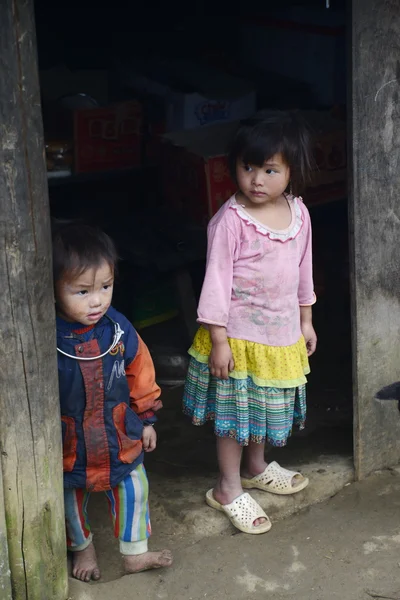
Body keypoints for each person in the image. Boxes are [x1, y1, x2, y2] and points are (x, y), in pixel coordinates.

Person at [183, 110, 317, 535]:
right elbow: (217, 283)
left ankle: (256, 467)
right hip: (237, 338)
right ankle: (227, 487)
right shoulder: (230, 221)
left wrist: (306, 319)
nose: (257, 179)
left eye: (270, 169)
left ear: (292, 171)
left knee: (259, 409)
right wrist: (217, 339)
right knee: (234, 416)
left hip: (279, 337)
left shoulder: (299, 214)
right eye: (248, 167)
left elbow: (304, 270)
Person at [52, 221, 173, 582]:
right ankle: (82, 546)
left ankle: (135, 552)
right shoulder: (43, 332)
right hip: (67, 439)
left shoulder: (118, 329)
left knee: (135, 486)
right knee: (68, 495)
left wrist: (147, 418)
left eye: (105, 287)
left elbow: (141, 370)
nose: (97, 300)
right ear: (53, 289)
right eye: (82, 291)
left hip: (118, 431)